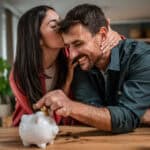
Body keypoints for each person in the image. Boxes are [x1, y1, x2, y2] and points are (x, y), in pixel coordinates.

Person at [35, 4, 150, 134]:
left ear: (102, 35)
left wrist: (70, 106)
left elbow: (125, 118)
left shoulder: (140, 57)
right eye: (68, 46)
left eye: (78, 43)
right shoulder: (81, 66)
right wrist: (137, 114)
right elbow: (95, 112)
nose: (72, 55)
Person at [9, 5, 121, 126]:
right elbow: (45, 118)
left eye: (61, 21)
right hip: (29, 130)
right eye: (53, 25)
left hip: (68, 130)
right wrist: (67, 82)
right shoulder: (19, 74)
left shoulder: (71, 54)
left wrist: (114, 36)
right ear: (38, 39)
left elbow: (105, 48)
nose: (62, 27)